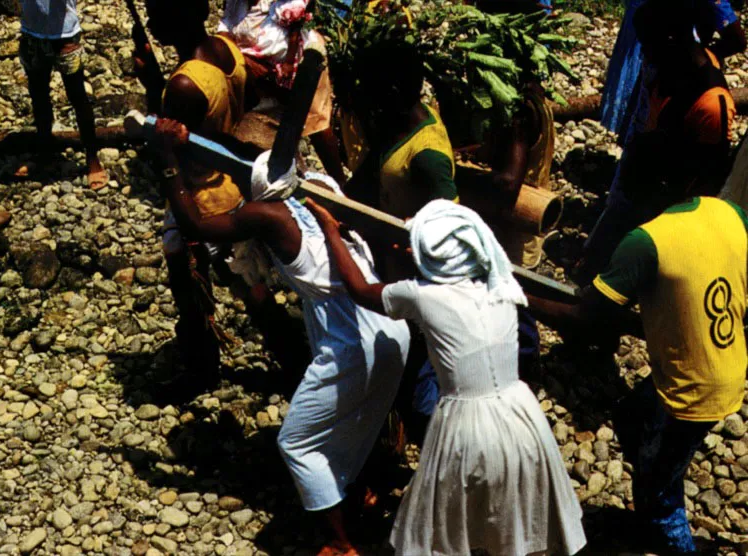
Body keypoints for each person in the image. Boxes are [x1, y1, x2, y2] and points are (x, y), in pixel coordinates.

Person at [153, 118, 410, 556]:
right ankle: (360, 495)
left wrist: (167, 160)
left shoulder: (269, 214)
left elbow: (195, 225)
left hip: (351, 339)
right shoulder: (323, 187)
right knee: (357, 419)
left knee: (296, 441)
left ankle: (340, 543)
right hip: (390, 329)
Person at [306, 197, 587, 556]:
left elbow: (360, 290)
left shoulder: (423, 295)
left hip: (466, 423)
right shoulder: (499, 285)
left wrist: (331, 231)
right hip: (521, 414)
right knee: (515, 503)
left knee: (451, 519)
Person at [527, 134, 748, 553]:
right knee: (631, 418)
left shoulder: (646, 241)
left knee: (659, 482)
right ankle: (653, 470)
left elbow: (586, 318)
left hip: (693, 389)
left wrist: (520, 296)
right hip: (725, 361)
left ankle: (671, 539)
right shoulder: (727, 212)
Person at [577, 1, 736, 283]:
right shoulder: (668, 69)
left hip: (667, 208)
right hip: (643, 184)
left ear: (673, 41)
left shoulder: (711, 105)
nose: (646, 58)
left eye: (651, 49)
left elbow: (704, 187)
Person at [133, 0, 251, 371]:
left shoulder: (184, 85)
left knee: (190, 288)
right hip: (236, 187)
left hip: (199, 198)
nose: (151, 21)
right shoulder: (225, 48)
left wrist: (155, 86)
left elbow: (169, 142)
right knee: (249, 284)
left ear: (177, 18)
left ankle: (201, 367)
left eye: (157, 12)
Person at [219, 0, 347, 184]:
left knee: (315, 124)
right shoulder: (235, 3)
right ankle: (295, 177)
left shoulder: (283, 4)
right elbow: (225, 30)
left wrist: (287, 64)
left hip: (300, 64)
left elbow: (295, 27)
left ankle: (341, 186)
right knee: (280, 130)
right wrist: (246, 61)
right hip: (262, 74)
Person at [600, 0, 745, 138]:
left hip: (683, 75)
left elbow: (736, 40)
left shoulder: (709, 102)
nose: (644, 53)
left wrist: (703, 56)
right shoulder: (659, 77)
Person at [16, 0, 106, 189]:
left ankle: (92, 158)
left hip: (65, 35)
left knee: (77, 97)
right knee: (38, 96)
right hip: (31, 31)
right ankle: (44, 151)